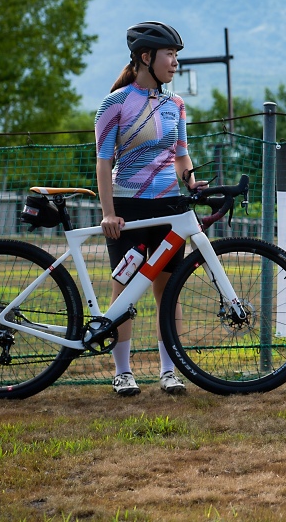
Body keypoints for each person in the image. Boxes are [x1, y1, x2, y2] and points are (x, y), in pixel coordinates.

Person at [95, 21, 207, 396]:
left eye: (176, 55)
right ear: (147, 57)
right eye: (170, 55)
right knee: (124, 287)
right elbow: (102, 161)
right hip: (127, 208)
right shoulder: (115, 103)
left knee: (168, 289)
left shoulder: (175, 104)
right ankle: (123, 372)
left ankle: (168, 370)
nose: (175, 62)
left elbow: (181, 154)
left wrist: (190, 181)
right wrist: (108, 213)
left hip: (168, 208)